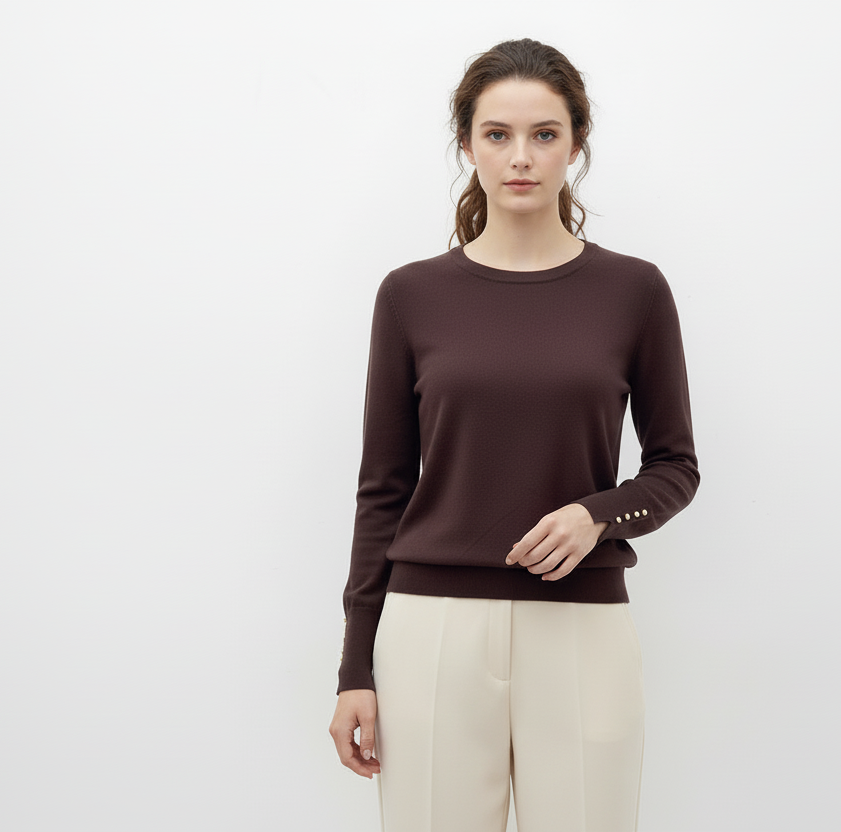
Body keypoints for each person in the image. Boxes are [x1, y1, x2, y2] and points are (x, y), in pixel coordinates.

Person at [328, 38, 699, 832]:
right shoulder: (411, 296)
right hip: (430, 629)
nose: (520, 157)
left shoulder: (634, 291)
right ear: (467, 144)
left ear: (576, 143)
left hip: (583, 628)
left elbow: (675, 466)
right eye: (497, 134)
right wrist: (355, 665)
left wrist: (598, 515)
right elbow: (383, 490)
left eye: (544, 134)